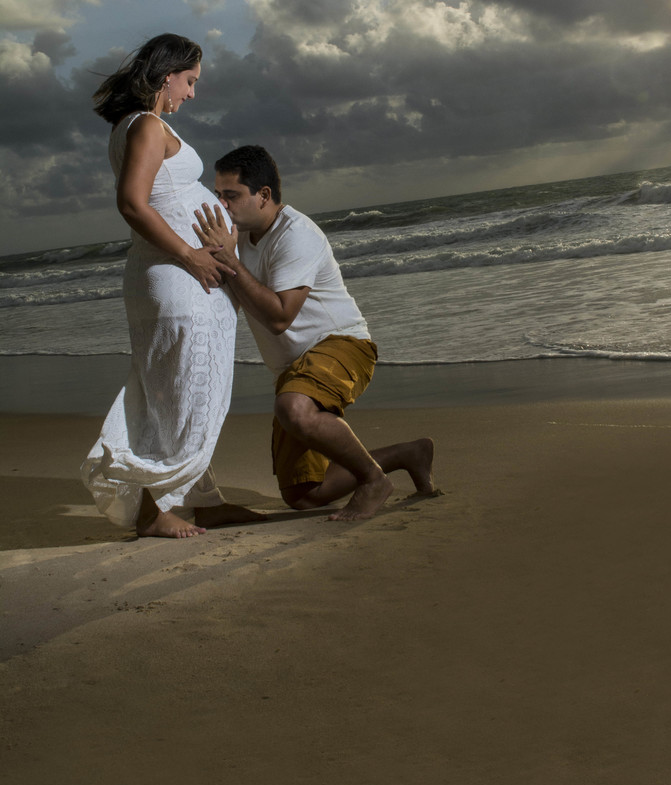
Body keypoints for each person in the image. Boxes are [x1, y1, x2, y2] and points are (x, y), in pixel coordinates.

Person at [192, 145, 438, 521]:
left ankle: (374, 480)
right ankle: (408, 454)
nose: (222, 205)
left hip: (342, 344)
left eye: (232, 195)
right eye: (218, 195)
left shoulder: (296, 234)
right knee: (304, 496)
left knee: (294, 408)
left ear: (263, 195)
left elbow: (278, 318)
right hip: (293, 370)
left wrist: (227, 260)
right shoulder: (237, 239)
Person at [81, 35, 264, 538]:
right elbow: (133, 204)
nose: (192, 93)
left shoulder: (133, 126)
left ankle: (203, 501)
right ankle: (148, 510)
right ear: (168, 76)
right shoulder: (144, 126)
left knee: (172, 393)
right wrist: (189, 254)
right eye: (190, 81)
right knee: (182, 397)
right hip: (176, 279)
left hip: (167, 277)